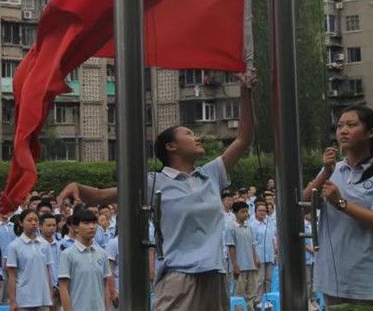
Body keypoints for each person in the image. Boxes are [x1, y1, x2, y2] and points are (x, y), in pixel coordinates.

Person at [57, 70, 257, 311]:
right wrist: (75, 186)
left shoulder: (211, 174)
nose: (198, 138)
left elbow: (244, 139)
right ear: (171, 146)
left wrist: (245, 91)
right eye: (189, 134)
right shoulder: (155, 181)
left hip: (215, 276)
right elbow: (101, 196)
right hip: (179, 278)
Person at [304, 105, 373, 307]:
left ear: (371, 132)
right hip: (333, 276)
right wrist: (325, 172)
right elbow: (304, 205)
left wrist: (341, 204)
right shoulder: (334, 170)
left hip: (370, 278)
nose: (343, 130)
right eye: (340, 126)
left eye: (351, 125)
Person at [57, 210, 112, 311]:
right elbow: (63, 287)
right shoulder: (67, 254)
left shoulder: (102, 253)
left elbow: (105, 286)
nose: (92, 227)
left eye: (94, 223)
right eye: (86, 223)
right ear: (75, 228)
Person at [5, 209, 53, 311]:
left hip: (43, 298)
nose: (33, 223)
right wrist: (13, 301)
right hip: (24, 299)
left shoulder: (44, 244)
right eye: (29, 220)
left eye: (36, 220)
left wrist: (50, 295)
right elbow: (12, 276)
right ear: (21, 223)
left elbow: (48, 272)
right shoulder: (14, 246)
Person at [226, 201, 259, 309]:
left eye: (246, 212)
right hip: (240, 266)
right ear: (235, 213)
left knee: (251, 293)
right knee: (239, 294)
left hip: (250, 265)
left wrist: (255, 259)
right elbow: (231, 247)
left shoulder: (249, 227)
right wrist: (235, 265)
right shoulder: (231, 228)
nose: (245, 214)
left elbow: (252, 245)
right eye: (242, 212)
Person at [249, 201, 276, 304]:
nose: (262, 212)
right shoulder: (252, 225)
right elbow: (253, 243)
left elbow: (273, 238)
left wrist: (275, 252)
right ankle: (257, 301)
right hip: (259, 256)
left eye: (264, 210)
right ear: (255, 212)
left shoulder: (269, 222)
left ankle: (267, 299)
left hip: (270, 255)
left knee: (268, 279)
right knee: (260, 280)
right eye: (260, 210)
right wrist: (255, 257)